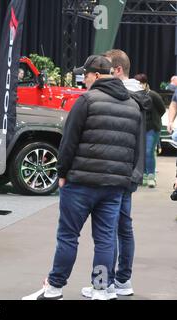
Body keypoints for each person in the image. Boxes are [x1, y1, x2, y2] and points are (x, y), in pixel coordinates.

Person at [23, 55, 142, 300]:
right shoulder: (132, 105)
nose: (83, 79)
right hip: (114, 187)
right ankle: (101, 288)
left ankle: (54, 287)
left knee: (68, 236)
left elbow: (69, 141)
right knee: (105, 240)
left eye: (85, 75)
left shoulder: (86, 100)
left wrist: (62, 173)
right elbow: (135, 150)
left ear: (96, 75)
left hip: (80, 184)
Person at [81, 49, 151, 300]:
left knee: (107, 231)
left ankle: (105, 283)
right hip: (129, 170)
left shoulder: (124, 97)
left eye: (107, 68)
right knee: (122, 228)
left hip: (117, 172)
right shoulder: (138, 97)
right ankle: (121, 280)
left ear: (117, 70)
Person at [134, 73, 166, 187]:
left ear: (146, 83)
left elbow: (162, 109)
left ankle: (151, 176)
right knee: (140, 152)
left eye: (142, 83)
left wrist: (155, 120)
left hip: (152, 128)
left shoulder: (153, 95)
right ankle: (143, 175)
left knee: (148, 151)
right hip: (139, 128)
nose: (140, 86)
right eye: (138, 83)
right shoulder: (134, 95)